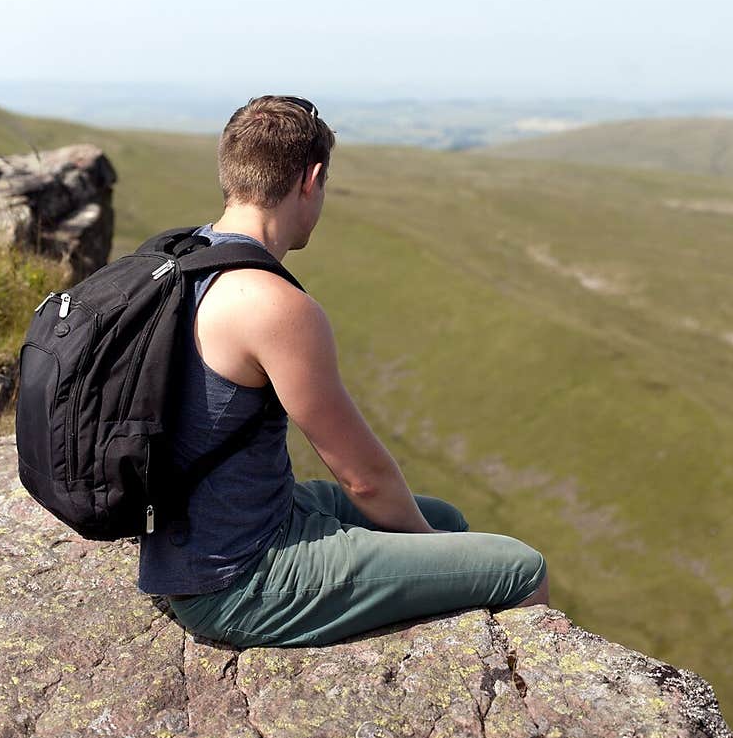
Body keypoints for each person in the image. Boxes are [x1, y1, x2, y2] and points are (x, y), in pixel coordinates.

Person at [138, 94, 549, 647]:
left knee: (447, 518)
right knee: (520, 567)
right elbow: (363, 479)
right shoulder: (272, 305)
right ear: (310, 180)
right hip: (239, 578)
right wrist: (432, 552)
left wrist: (436, 542)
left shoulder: (180, 260)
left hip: (204, 538)